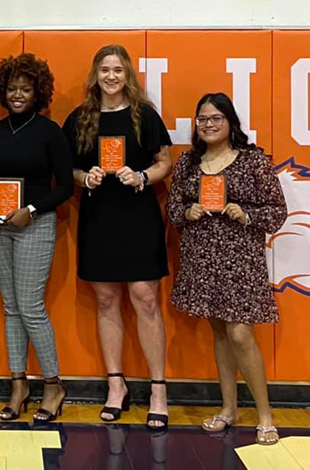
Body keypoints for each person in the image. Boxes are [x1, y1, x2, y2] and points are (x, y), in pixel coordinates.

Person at [62, 44, 173, 430]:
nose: (111, 76)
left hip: (138, 216)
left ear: (128, 75)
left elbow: (165, 162)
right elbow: (68, 170)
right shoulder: (79, 118)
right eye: (105, 69)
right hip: (99, 216)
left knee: (145, 297)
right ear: (95, 74)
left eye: (118, 70)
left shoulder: (145, 116)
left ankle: (158, 389)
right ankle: (116, 385)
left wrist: (142, 176)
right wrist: (84, 176)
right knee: (107, 299)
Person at [167, 92, 287, 446]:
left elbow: (277, 212)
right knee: (219, 332)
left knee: (239, 334)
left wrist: (246, 214)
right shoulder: (188, 162)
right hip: (200, 258)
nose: (208, 124)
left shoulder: (253, 162)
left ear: (230, 122)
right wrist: (186, 213)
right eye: (202, 119)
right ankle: (229, 408)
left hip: (240, 260)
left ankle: (265, 416)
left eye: (215, 118)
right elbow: (173, 208)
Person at [0, 53, 73, 422]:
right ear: (4, 91)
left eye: (26, 89)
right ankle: (19, 385)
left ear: (38, 93)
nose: (18, 94)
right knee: (11, 308)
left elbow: (64, 186)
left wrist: (30, 210)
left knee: (31, 308)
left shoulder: (50, 132)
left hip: (34, 224)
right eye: (12, 88)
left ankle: (54, 385)